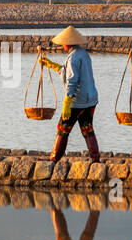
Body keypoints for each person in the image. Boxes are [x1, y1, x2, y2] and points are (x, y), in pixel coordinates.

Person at [39, 25, 100, 164]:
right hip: (90, 100)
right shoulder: (83, 54)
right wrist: (52, 65)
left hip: (76, 101)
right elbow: (67, 72)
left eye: (63, 44)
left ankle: (54, 158)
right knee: (87, 128)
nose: (62, 46)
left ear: (67, 44)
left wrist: (67, 102)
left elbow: (72, 81)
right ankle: (95, 159)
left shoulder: (73, 58)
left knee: (62, 128)